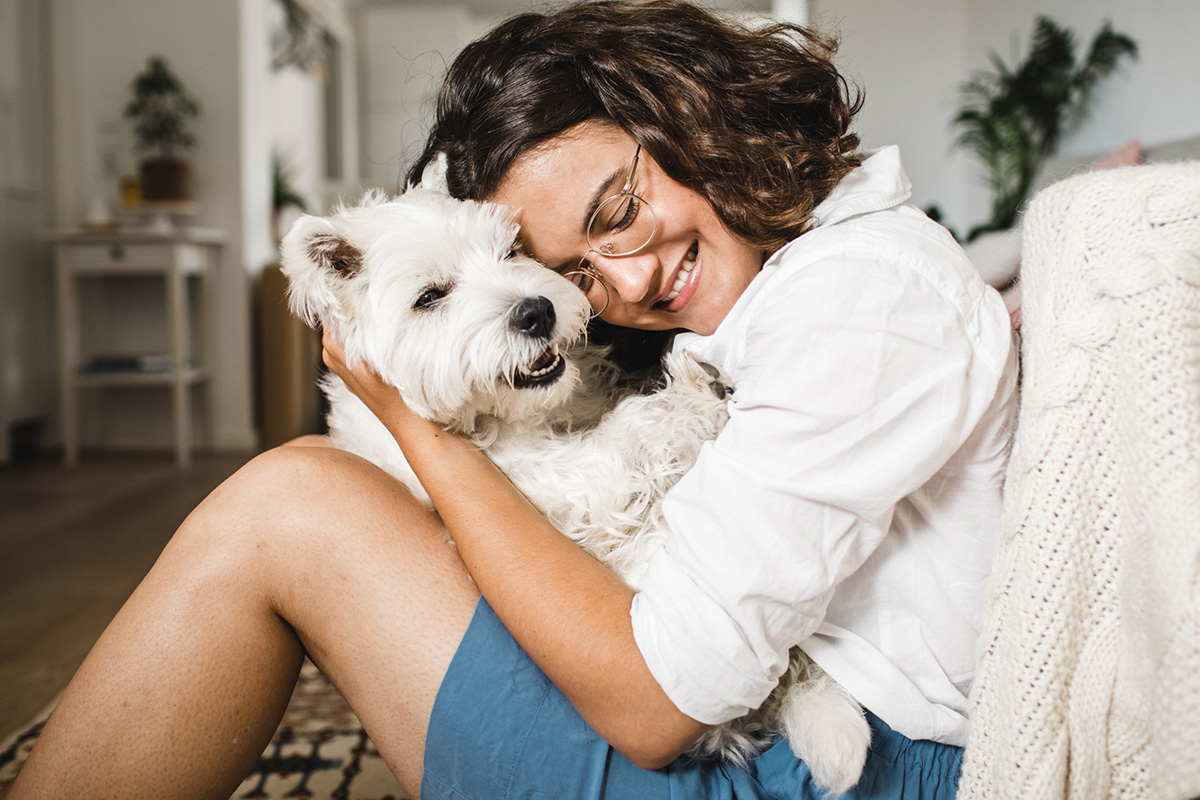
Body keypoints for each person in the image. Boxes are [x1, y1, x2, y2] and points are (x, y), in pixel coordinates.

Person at [3, 2, 1017, 798]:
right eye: (574, 263)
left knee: (286, 504)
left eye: (617, 210)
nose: (620, 278)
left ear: (686, 108)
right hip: (793, 736)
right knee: (305, 498)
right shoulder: (798, 278)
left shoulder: (860, 293)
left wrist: (415, 428)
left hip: (830, 779)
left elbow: (658, 706)